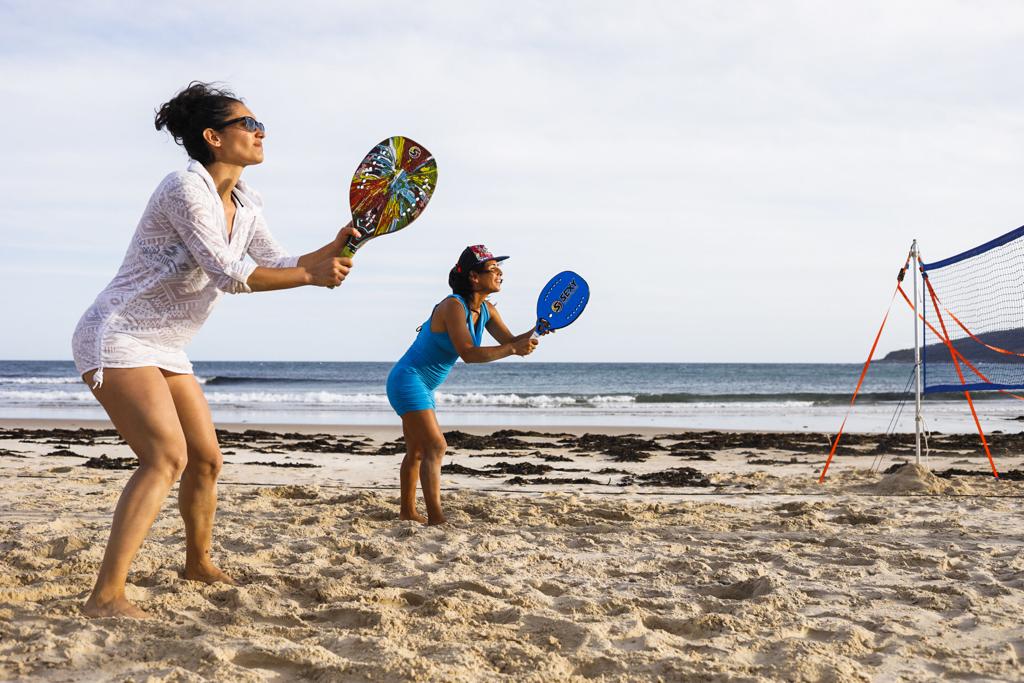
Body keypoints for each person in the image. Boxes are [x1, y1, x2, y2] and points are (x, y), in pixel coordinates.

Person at [71, 82, 357, 618]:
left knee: (205, 460)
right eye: (248, 123)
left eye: (258, 122)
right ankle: (105, 595)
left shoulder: (247, 200)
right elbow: (229, 273)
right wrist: (311, 276)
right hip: (119, 334)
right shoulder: (184, 189)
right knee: (166, 458)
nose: (260, 130)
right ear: (213, 138)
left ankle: (197, 562)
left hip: (169, 345)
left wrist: (338, 245)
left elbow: (280, 259)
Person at [386, 245, 540, 525]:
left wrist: (541, 327)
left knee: (418, 451)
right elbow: (469, 353)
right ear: (474, 277)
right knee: (436, 447)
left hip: (423, 385)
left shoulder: (487, 310)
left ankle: (407, 512)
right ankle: (437, 519)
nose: (500, 272)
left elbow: (510, 341)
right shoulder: (452, 306)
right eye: (493, 269)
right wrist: (515, 350)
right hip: (408, 379)